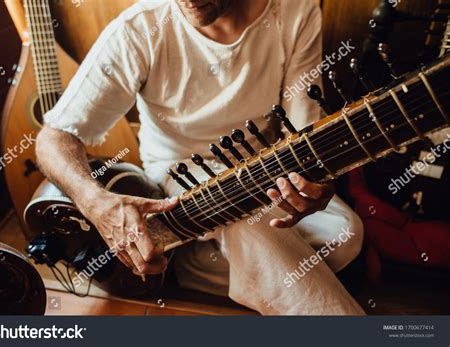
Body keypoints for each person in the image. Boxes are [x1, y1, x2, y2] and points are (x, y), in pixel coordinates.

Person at [36, 0, 365, 315]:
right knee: (252, 222)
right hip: (180, 181)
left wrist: (316, 183)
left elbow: (304, 128)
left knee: (345, 234)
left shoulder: (295, 11)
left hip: (268, 168)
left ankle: (190, 263)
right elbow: (53, 138)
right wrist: (94, 202)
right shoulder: (140, 28)